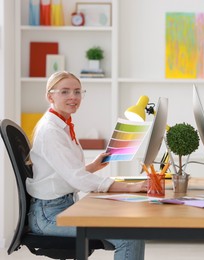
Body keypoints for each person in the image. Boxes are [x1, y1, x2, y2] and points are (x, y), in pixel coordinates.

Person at [26, 71, 147, 260]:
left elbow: (64, 174)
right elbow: (76, 179)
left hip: (61, 206)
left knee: (130, 227)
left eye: (77, 91)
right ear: (50, 96)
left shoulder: (62, 126)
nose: (73, 97)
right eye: (65, 92)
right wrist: (131, 187)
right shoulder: (51, 131)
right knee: (129, 236)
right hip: (48, 215)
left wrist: (92, 167)